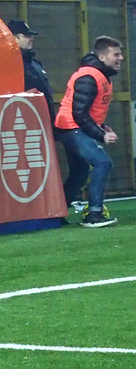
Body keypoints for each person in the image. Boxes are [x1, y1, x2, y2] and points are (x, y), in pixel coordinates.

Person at [55, 36, 123, 227]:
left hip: (70, 126)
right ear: (102, 57)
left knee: (80, 172)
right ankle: (94, 214)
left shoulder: (98, 75)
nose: (121, 58)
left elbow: (88, 111)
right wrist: (101, 135)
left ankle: (57, 214)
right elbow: (79, 113)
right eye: (116, 54)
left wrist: (101, 127)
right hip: (71, 127)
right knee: (102, 162)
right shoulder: (90, 76)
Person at [10, 19, 55, 127]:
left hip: (43, 122)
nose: (32, 38)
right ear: (15, 38)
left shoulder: (34, 63)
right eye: (27, 36)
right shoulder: (11, 64)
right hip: (25, 123)